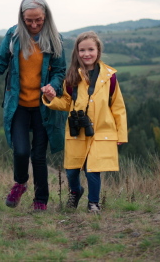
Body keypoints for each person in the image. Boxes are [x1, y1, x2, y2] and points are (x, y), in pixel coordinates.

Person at [0, 0, 67, 211]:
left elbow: (60, 71)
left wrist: (54, 86)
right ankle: (20, 183)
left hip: (43, 108)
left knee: (39, 156)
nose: (33, 24)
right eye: (28, 20)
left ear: (46, 16)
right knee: (21, 151)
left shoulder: (55, 38)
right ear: (21, 17)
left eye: (38, 19)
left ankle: (41, 200)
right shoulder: (13, 36)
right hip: (18, 106)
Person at [41, 31, 128, 213]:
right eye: (82, 50)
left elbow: (118, 108)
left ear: (98, 51)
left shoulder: (109, 77)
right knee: (72, 170)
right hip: (77, 131)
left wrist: (121, 134)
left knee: (92, 170)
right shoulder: (71, 77)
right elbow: (66, 103)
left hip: (101, 132)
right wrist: (50, 98)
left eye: (90, 49)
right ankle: (76, 191)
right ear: (76, 52)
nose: (86, 54)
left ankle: (94, 203)